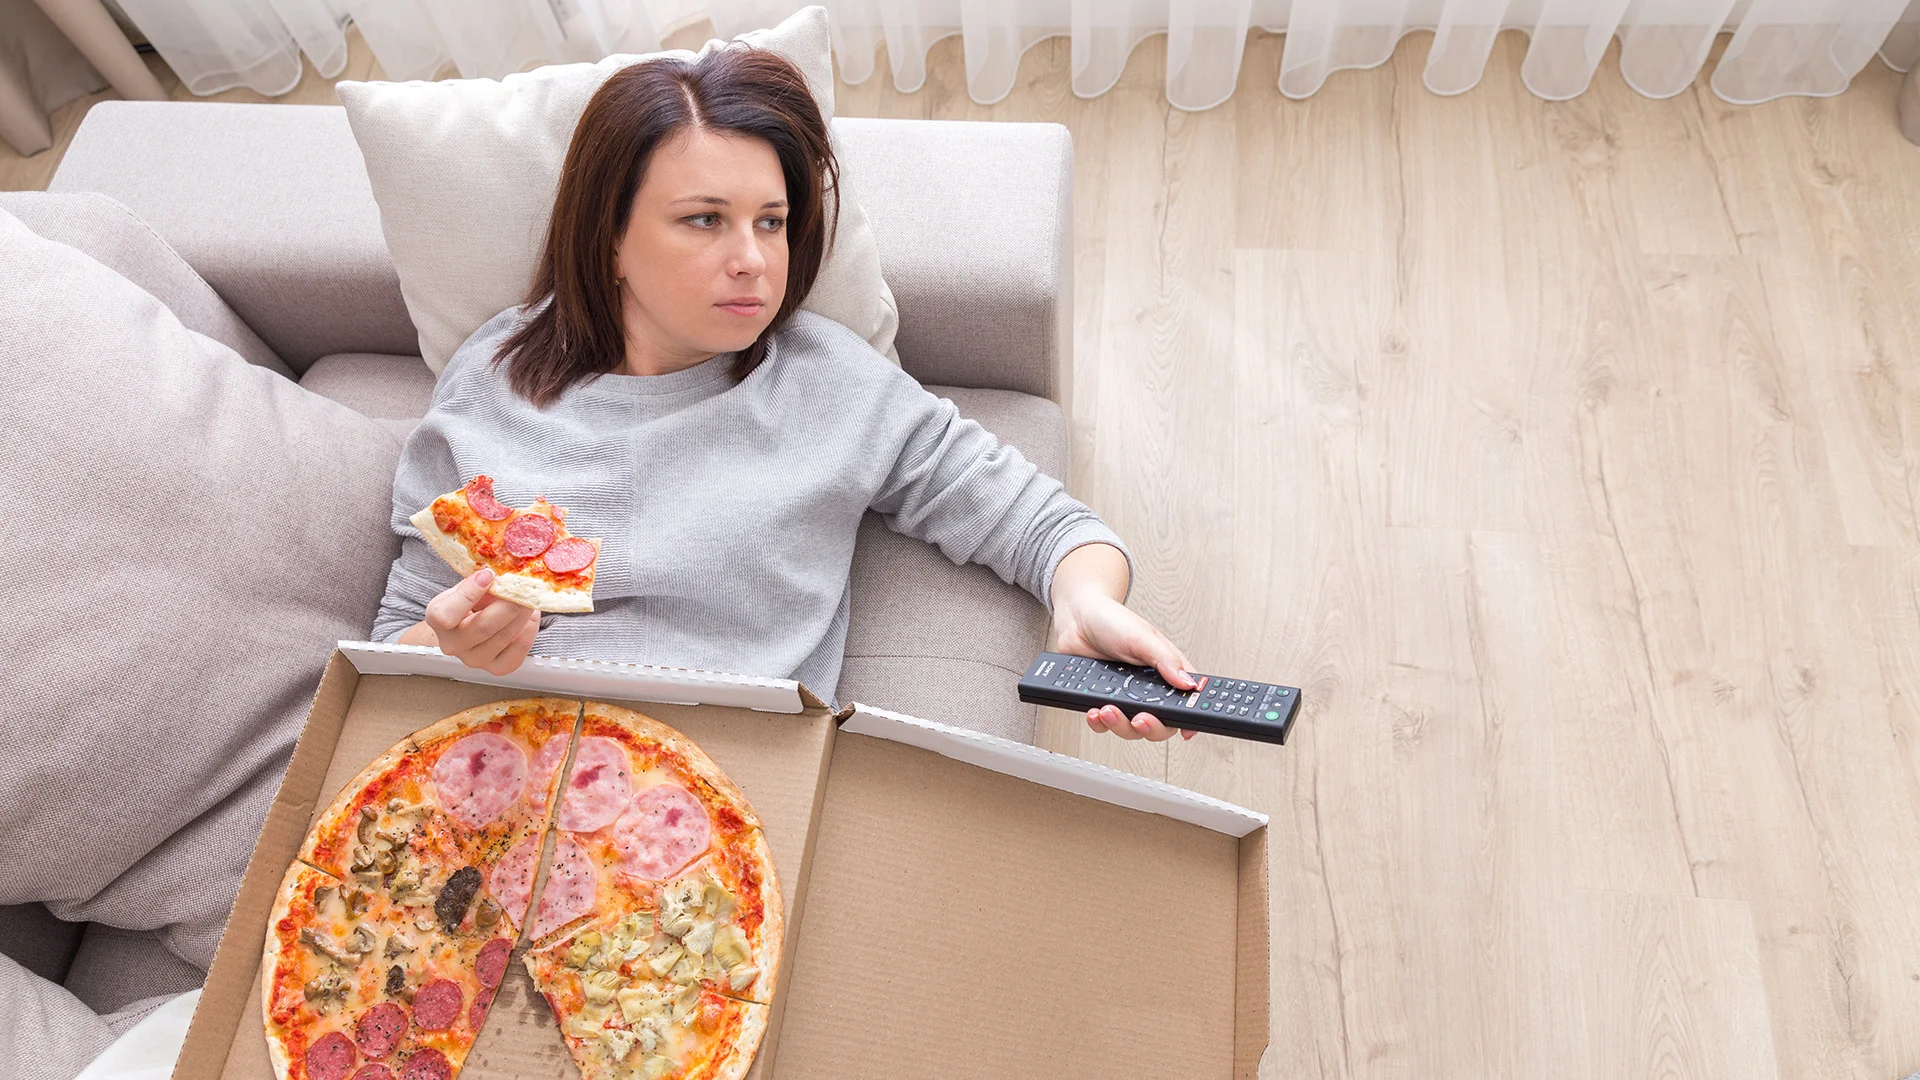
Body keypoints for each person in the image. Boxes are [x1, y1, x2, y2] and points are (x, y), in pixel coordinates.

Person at [372, 44, 1195, 743]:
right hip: (495, 777)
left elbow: (1043, 524)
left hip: (725, 817)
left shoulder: (829, 383)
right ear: (609, 236)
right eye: (705, 220)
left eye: (771, 221)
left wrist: (1085, 602)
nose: (755, 261)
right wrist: (452, 648)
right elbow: (393, 645)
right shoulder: (491, 375)